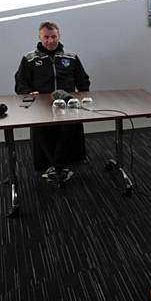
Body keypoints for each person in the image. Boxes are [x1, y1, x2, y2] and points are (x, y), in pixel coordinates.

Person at [15, 21, 91, 183]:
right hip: (41, 106)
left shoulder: (71, 57)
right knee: (43, 132)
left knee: (68, 131)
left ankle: (57, 167)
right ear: (39, 37)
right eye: (46, 37)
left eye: (53, 36)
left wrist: (82, 94)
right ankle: (59, 167)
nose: (50, 41)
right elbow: (20, 83)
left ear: (59, 36)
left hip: (67, 104)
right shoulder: (29, 59)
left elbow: (83, 80)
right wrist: (28, 92)